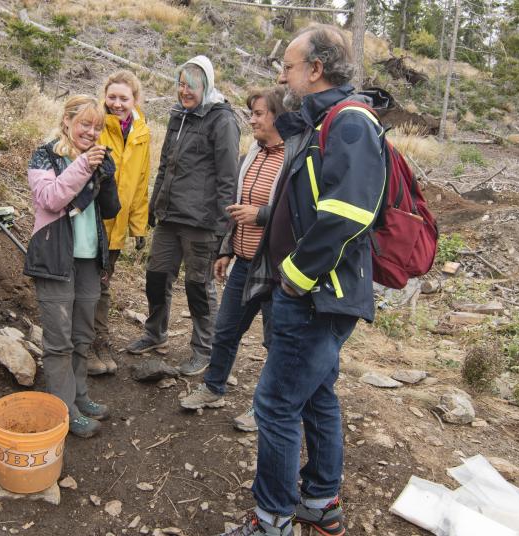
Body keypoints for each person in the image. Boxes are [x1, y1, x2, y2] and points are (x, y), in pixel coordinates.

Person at [217, 24, 387, 536]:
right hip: (318, 294)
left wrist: (293, 275)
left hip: (315, 295)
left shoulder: (350, 122)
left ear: (315, 69)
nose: (281, 75)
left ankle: (271, 519)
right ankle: (319, 501)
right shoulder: (321, 121)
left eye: (287, 67)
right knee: (316, 396)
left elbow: (348, 213)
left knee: (274, 403)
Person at [179, 86, 286, 433]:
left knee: (275, 343)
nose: (251, 120)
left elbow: (298, 213)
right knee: (225, 331)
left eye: (258, 114)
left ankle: (264, 408)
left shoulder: (294, 157)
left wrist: (262, 215)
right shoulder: (253, 152)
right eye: (251, 113)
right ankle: (213, 389)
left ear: (278, 116)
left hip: (276, 269)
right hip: (244, 260)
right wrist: (226, 248)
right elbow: (236, 207)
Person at [126, 55, 240, 376]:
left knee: (198, 287)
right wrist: (153, 205)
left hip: (202, 223)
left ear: (206, 85)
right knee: (157, 276)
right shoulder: (180, 116)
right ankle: (155, 333)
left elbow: (228, 179)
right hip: (170, 216)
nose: (183, 91)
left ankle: (205, 349)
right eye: (180, 84)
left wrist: (222, 230)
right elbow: (165, 165)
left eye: (191, 85)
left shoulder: (222, 120)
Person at [24, 95, 121, 439]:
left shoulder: (93, 159)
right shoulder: (46, 154)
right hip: (54, 258)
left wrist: (107, 178)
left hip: (88, 260)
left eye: (97, 127)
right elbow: (50, 199)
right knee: (59, 341)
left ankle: (79, 397)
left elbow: (109, 210)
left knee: (82, 336)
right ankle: (63, 411)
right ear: (67, 120)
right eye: (85, 124)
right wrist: (83, 167)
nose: (92, 132)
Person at [88, 70, 152, 377]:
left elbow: (140, 184)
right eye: (111, 97)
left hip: (118, 224)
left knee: (102, 284)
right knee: (90, 285)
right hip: (91, 220)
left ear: (134, 100)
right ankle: (90, 344)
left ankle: (98, 342)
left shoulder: (142, 132)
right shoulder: (96, 124)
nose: (116, 103)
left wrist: (139, 228)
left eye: (123, 98)